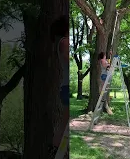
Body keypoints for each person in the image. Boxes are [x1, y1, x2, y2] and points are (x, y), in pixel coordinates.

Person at [49, 15, 69, 158]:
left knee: (65, 123)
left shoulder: (63, 42)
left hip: (66, 88)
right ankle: (56, 151)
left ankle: (56, 151)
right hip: (67, 88)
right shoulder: (64, 42)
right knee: (64, 123)